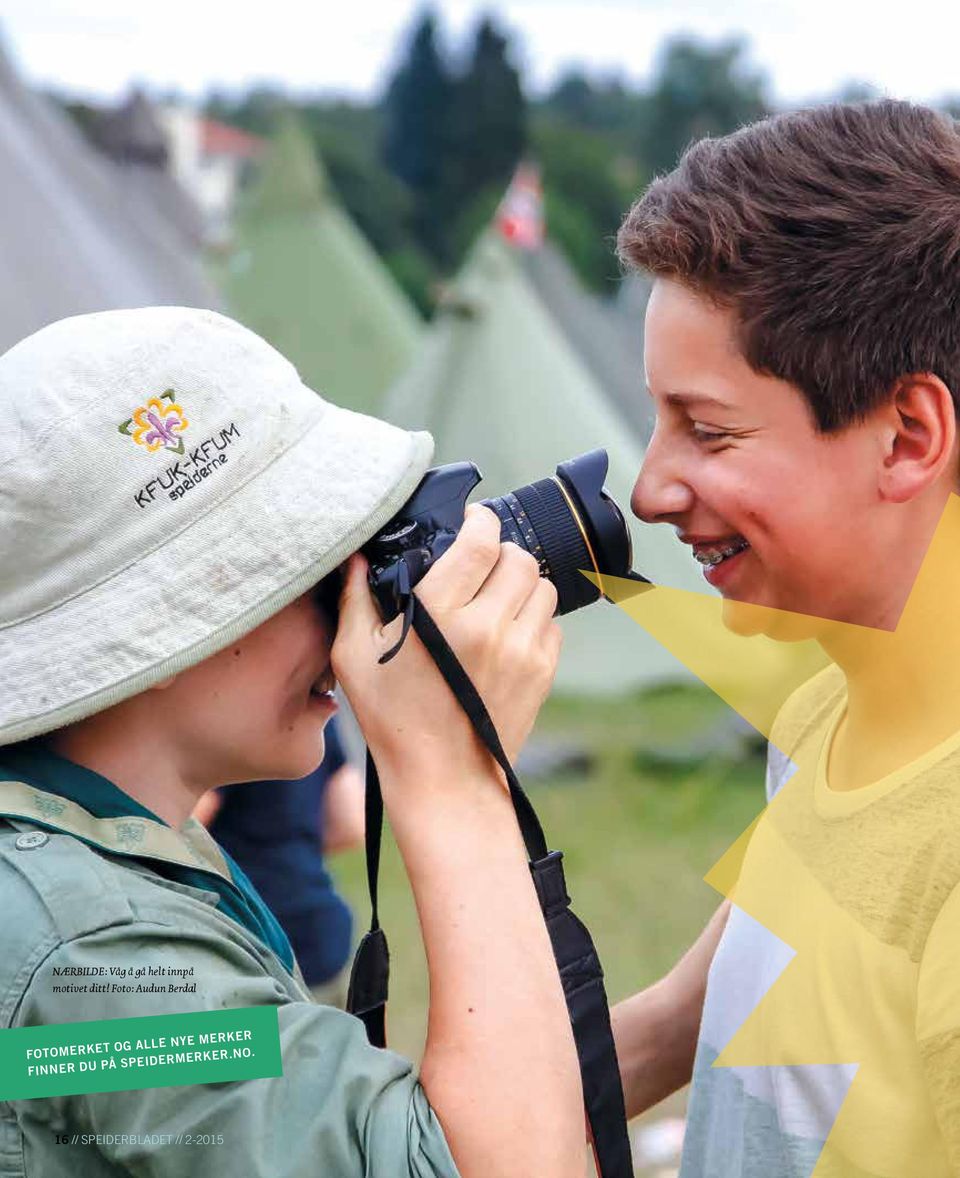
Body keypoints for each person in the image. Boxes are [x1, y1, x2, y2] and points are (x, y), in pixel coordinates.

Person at [0, 306, 584, 1177]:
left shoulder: (80, 870)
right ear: (168, 628)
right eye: (314, 570)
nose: (357, 609)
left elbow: (329, 1131)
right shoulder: (95, 958)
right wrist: (451, 777)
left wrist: (695, 1007)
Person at [611, 99, 960, 1176]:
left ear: (907, 437)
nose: (650, 488)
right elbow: (678, 1021)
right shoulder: (823, 718)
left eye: (706, 430)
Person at [196, 717, 364, 1008]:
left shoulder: (226, 722)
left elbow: (179, 825)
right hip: (323, 938)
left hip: (249, 944)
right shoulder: (320, 713)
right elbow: (351, 824)